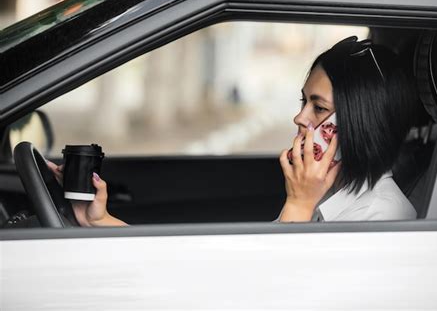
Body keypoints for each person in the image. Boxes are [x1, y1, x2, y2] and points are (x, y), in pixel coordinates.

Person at [47, 35, 417, 226]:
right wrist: (100, 220)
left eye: (318, 108)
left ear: (360, 121)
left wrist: (298, 204)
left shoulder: (383, 219)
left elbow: (265, 291)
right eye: (303, 102)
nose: (300, 118)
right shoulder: (327, 192)